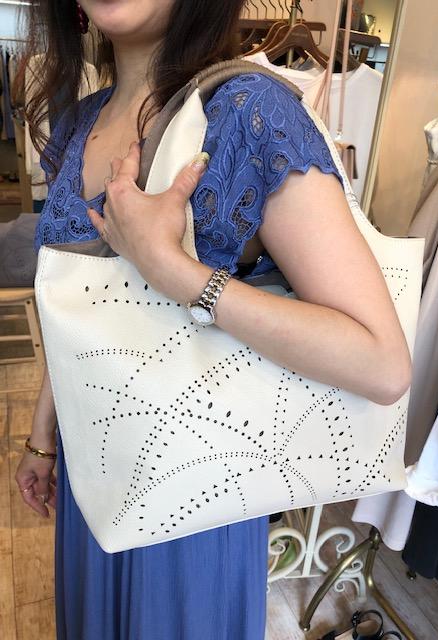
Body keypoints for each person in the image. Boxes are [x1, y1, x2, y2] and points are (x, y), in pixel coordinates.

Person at [14, 1, 412, 638]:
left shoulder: (250, 112)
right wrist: (43, 436)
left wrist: (175, 273)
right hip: (95, 472)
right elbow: (82, 309)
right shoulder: (80, 122)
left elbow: (382, 364)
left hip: (197, 493)